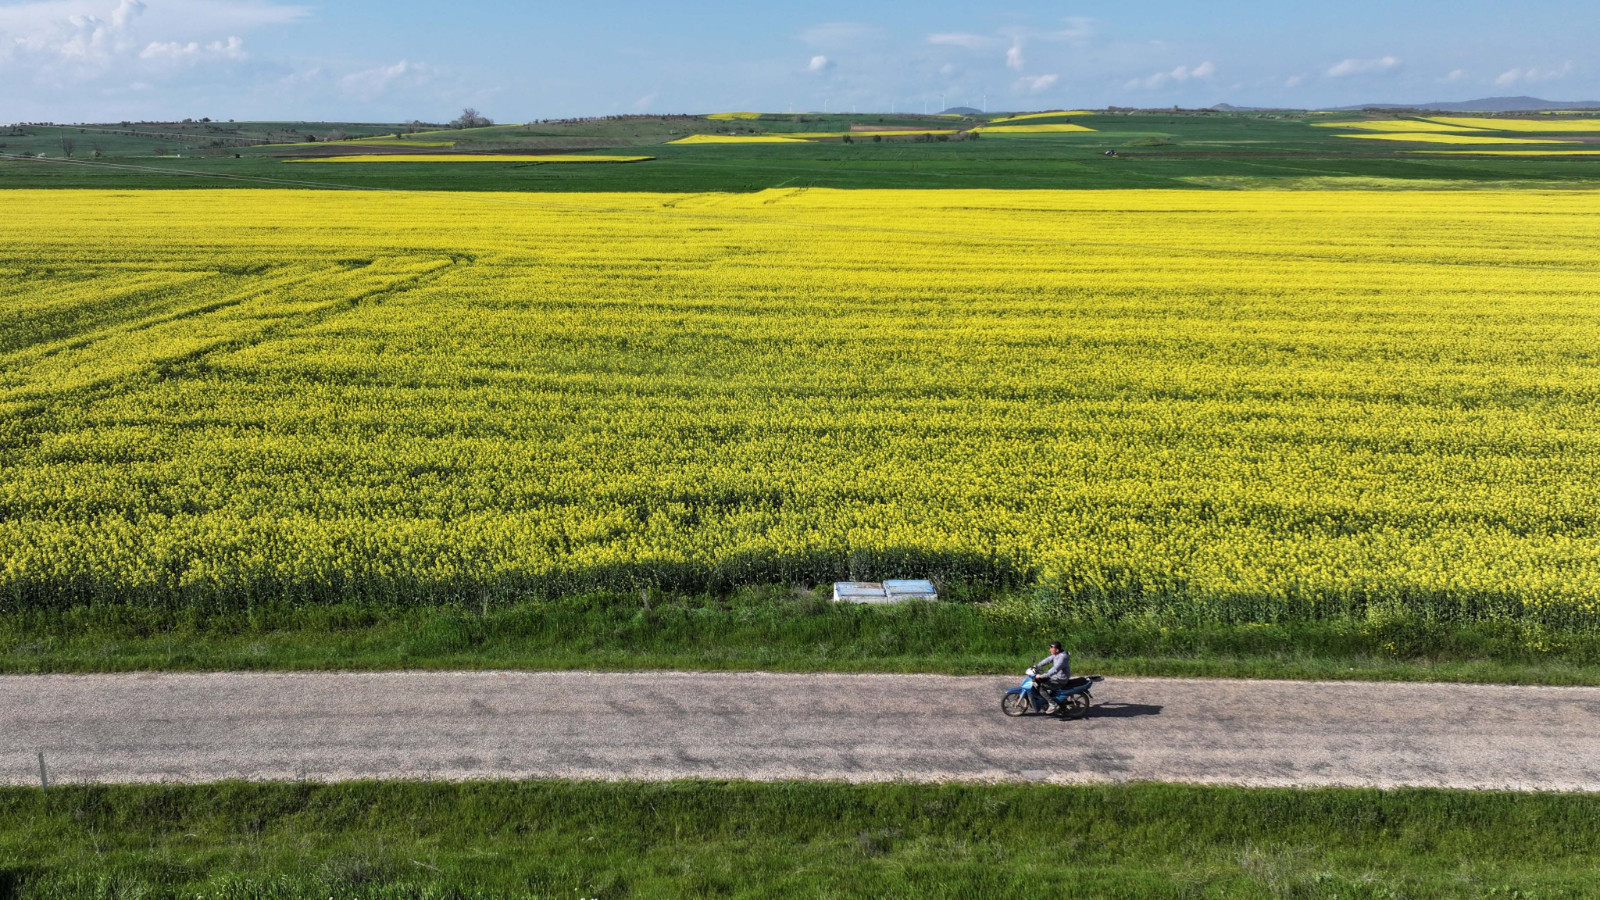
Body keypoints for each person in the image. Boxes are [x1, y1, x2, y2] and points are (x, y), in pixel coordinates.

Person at [1034, 641, 1071, 714]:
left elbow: (1055, 669)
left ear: (1057, 650)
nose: (1049, 649)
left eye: (1051, 648)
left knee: (1041, 687)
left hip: (1060, 680)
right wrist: (1038, 665)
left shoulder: (1062, 658)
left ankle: (1053, 704)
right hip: (1056, 677)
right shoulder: (1057, 654)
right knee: (1040, 681)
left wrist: (1042, 675)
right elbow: (1048, 659)